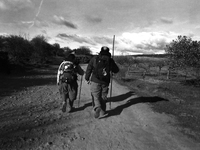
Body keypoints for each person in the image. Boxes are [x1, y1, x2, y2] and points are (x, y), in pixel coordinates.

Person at [85, 46, 119, 118]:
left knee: (95, 95)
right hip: (105, 82)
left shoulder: (95, 58)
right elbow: (116, 70)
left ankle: (97, 107)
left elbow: (89, 68)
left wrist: (87, 77)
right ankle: (103, 112)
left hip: (95, 80)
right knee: (103, 96)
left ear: (100, 51)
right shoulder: (110, 60)